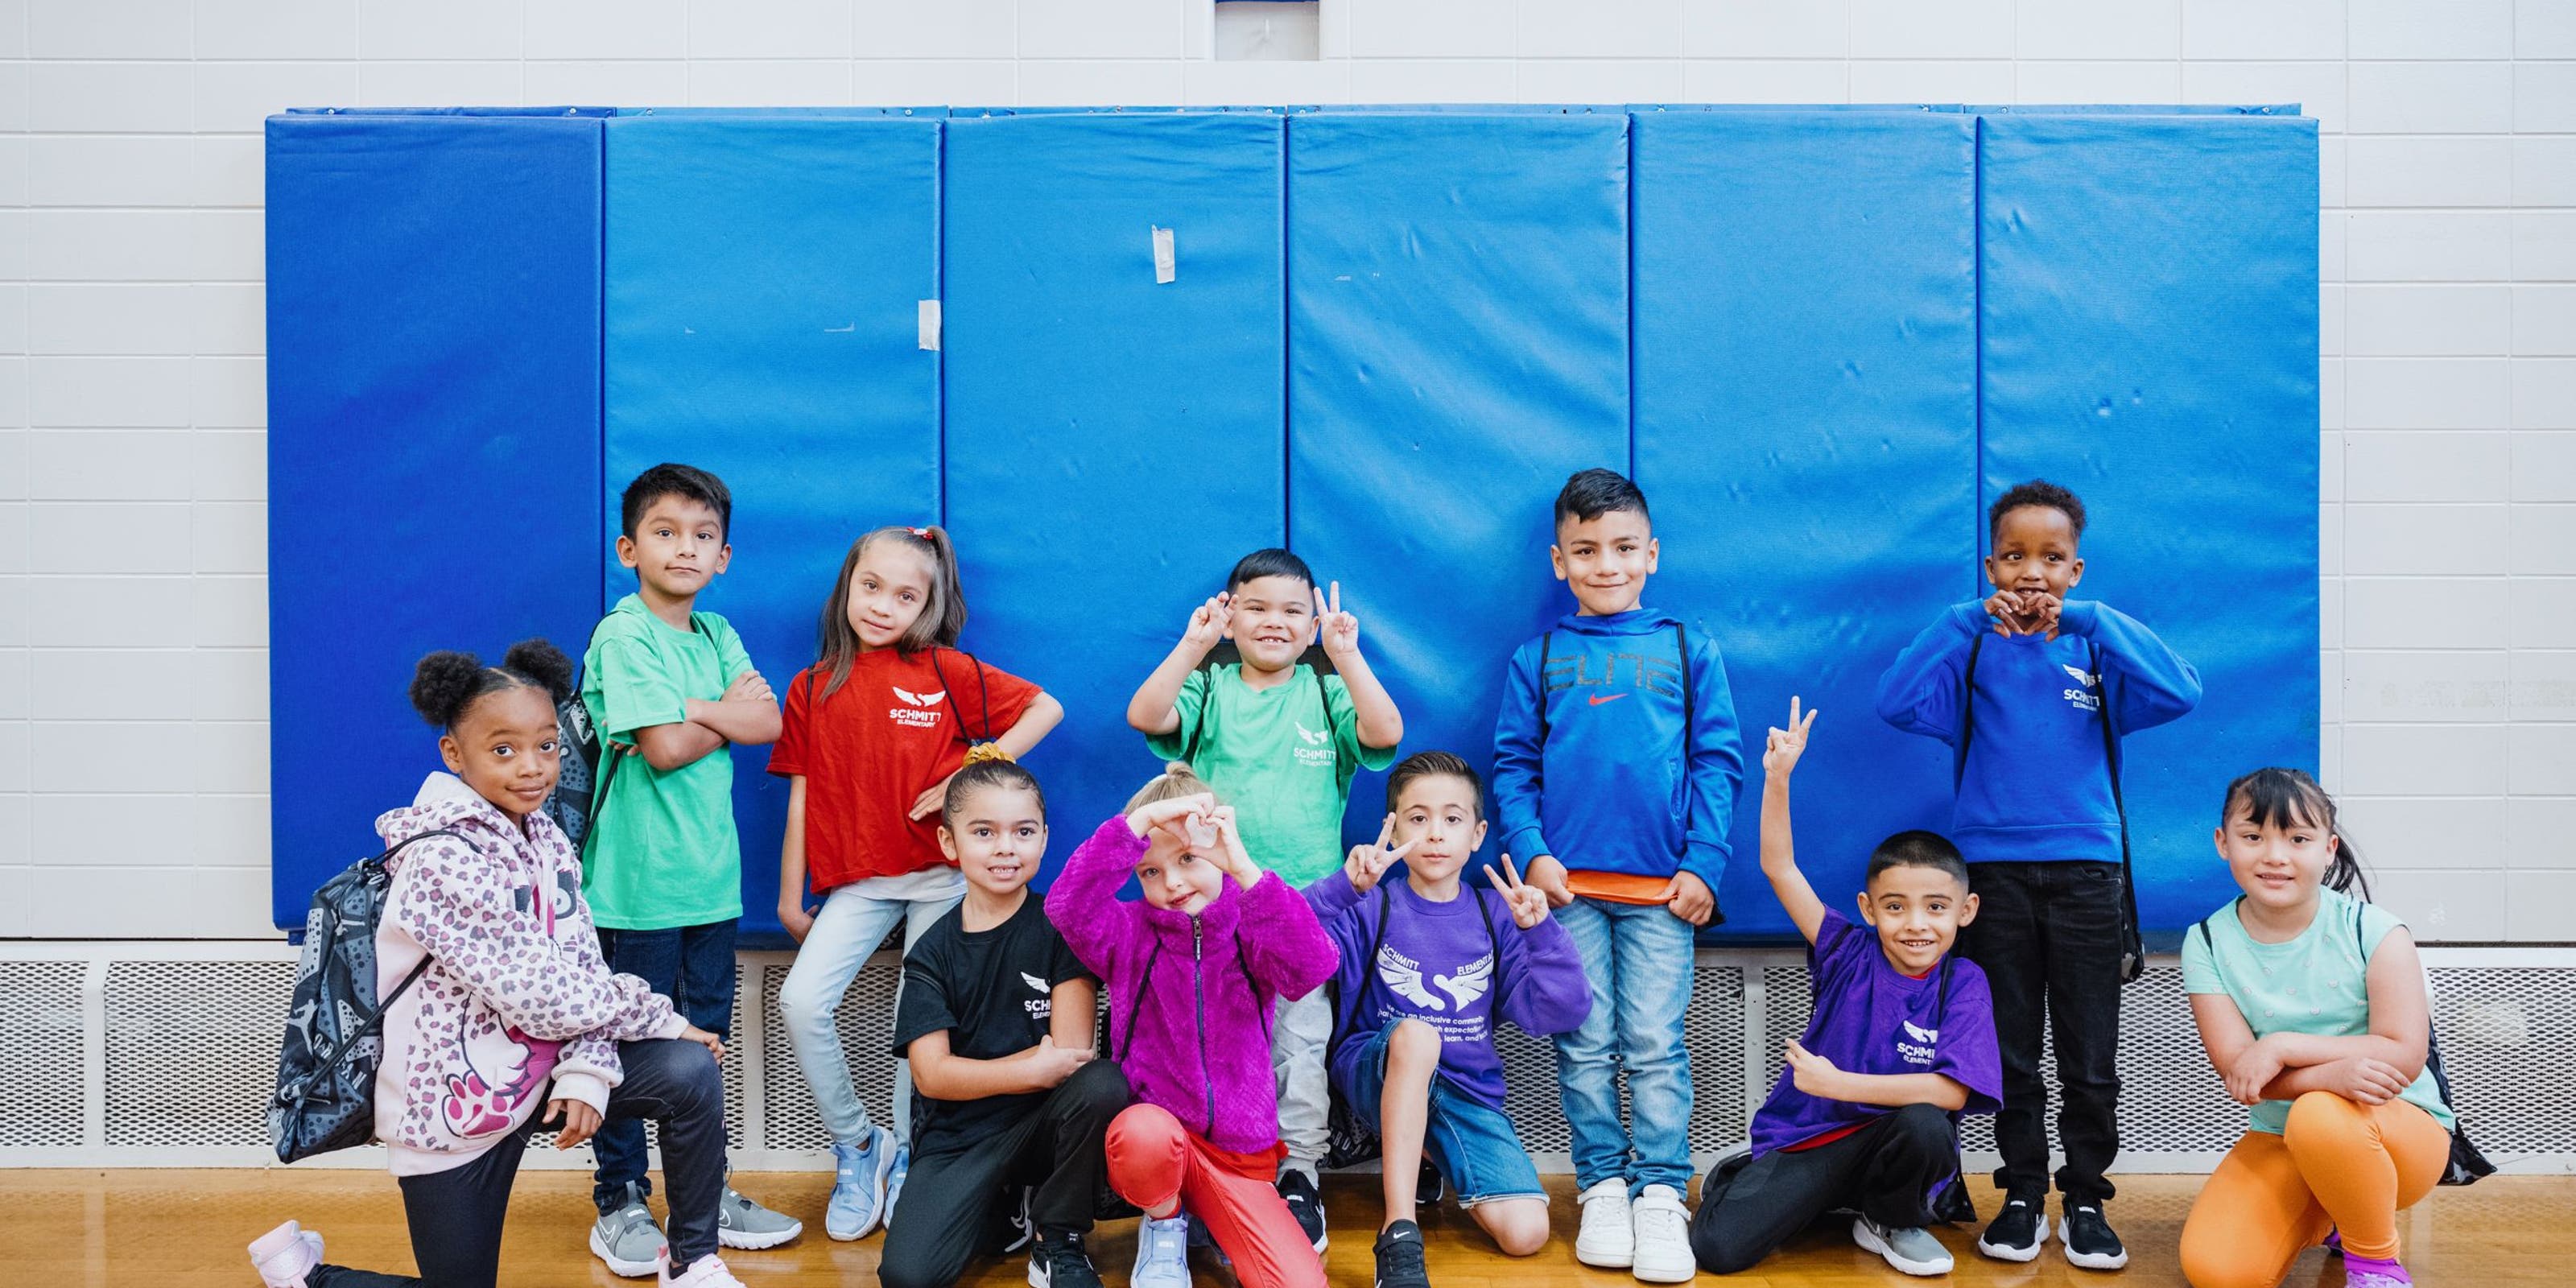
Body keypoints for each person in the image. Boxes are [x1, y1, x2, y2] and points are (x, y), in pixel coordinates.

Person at [249, 643, 742, 1288]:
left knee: (689, 1073)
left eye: (546, 746)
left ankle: (691, 1263)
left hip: (535, 1076)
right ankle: (305, 1275)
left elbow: (580, 971)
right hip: (454, 1106)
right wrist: (662, 1016)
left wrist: (590, 1072)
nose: (532, 768)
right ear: (455, 755)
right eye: (504, 750)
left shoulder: (550, 841)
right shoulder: (438, 861)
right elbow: (537, 991)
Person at [1876, 478, 2202, 1269]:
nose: (2031, 572)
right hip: (1993, 876)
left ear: (2075, 570)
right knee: (2009, 1051)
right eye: (2014, 557)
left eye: (2050, 558)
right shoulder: (1975, 642)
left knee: (2089, 1055)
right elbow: (1894, 699)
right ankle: (2020, 1193)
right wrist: (1963, 619)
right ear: (1990, 565)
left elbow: (2181, 688)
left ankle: (2084, 1197)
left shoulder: (2094, 642)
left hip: (2088, 875)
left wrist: (2084, 620)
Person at [770, 524, 1063, 1241]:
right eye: (871, 587)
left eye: (906, 595)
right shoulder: (812, 686)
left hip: (942, 881)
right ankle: (861, 1145)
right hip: (860, 883)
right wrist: (788, 893)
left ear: (927, 606)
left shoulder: (946, 671)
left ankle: (912, 1158)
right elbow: (802, 795)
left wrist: (973, 766)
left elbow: (1045, 709)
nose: (883, 606)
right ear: (848, 587)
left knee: (920, 1029)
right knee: (800, 1000)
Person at [1489, 467, 1743, 1284]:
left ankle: (1661, 1193)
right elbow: (1512, 767)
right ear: (1558, 561)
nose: (1606, 564)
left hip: (1661, 895)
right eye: (1586, 550)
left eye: (1624, 548)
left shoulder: (1684, 645)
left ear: (1651, 554)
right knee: (1585, 1044)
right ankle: (1601, 1183)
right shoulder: (1539, 657)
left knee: (1653, 1045)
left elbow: (1716, 761)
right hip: (1568, 893)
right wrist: (1532, 851)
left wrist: (1702, 861)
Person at [1125, 548, 1402, 1250]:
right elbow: (1143, 714)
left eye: (1292, 611)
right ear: (1229, 615)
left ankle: (1300, 1174)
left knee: (1297, 1043)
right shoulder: (1211, 687)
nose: (1274, 622)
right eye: (1256, 607)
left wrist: (1345, 657)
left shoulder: (1326, 691)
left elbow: (1386, 734)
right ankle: (1211, 1172)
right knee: (1219, 1038)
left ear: (1312, 626)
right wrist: (1193, 646)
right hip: (1211, 908)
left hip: (1301, 908)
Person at [1689, 699, 2002, 1279]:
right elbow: (1780, 867)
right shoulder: (1845, 949)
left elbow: (1954, 1094)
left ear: (1965, 910)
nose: (1916, 924)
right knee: (1718, 1251)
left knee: (1927, 1121)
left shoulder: (1965, 982)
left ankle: (1889, 1219)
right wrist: (1777, 777)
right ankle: (1752, 1175)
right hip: (1816, 1137)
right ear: (1868, 909)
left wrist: (1840, 1082)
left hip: (1894, 1142)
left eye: (1936, 907)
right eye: (1895, 907)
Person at [578, 464, 799, 1274]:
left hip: (710, 885)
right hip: (635, 891)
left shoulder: (717, 635)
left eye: (703, 536)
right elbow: (665, 752)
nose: (685, 547)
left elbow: (769, 719)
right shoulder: (623, 634)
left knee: (699, 1050)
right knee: (632, 1051)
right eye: (666, 532)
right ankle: (620, 1197)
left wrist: (695, 708)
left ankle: (699, 1199)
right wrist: (719, 711)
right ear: (628, 547)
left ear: (725, 556)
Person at [1302, 751, 1590, 1288]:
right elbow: (1287, 944)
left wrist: (1542, 934)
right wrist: (1343, 887)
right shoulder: (1373, 904)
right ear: (1392, 827)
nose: (1435, 833)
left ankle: (1431, 1154)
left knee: (1526, 1234)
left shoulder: (1495, 913)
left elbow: (1562, 1011)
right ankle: (1399, 1231)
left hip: (1461, 1091)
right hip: (1374, 1068)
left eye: (1452, 819)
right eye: (1418, 818)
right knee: (1416, 1035)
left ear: (1478, 834)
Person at [1047, 765, 1340, 1288]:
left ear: (1219, 850)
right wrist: (1137, 824)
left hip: (1239, 1156)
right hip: (1160, 1144)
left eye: (1187, 859)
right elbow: (1067, 906)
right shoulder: (1127, 932)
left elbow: (1312, 966)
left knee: (1300, 1283)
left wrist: (1246, 870)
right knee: (1143, 1133)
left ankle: (1207, 1220)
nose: (1173, 883)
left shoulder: (1252, 921)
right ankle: (1164, 1222)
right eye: (1150, 871)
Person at [2178, 769, 2449, 1288]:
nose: (2275, 856)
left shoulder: (2376, 930)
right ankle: (2332, 1210)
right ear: (2222, 843)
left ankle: (2374, 1263)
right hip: (2282, 1137)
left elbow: (2404, 1053)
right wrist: (2330, 1075)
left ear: (2329, 849)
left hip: (2395, 1132)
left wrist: (2282, 1045)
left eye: (2298, 839)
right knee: (2218, 1271)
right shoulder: (2207, 941)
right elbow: (2242, 1075)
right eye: (2252, 837)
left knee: (2322, 1116)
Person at [877, 760, 1128, 1288]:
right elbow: (931, 1076)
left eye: (1023, 832)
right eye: (984, 832)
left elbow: (1071, 1056)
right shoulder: (931, 954)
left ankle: (1055, 1233)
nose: (1005, 848)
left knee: (1103, 1083)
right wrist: (1029, 1068)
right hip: (961, 1137)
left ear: (1043, 839)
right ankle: (1006, 1205)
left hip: (1046, 1124)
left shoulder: (1060, 926)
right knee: (906, 1277)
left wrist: (1034, 1072)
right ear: (949, 842)